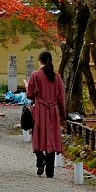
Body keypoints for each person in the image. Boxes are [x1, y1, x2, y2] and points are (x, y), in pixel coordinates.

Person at [26, 50, 66, 178]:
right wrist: (62, 113)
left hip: (40, 108)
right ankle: (50, 172)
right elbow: (61, 96)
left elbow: (30, 94)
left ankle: (40, 159)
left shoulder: (35, 75)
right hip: (53, 109)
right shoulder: (57, 76)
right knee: (52, 137)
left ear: (40, 61)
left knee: (38, 135)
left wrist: (27, 86)